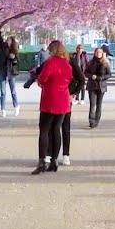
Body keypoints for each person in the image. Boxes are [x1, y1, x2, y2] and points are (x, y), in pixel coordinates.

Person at [32, 41, 73, 175]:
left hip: (50, 99)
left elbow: (43, 78)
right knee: (56, 130)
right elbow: (69, 79)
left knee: (44, 130)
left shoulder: (51, 62)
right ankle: (54, 160)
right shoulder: (67, 64)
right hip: (63, 99)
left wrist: (40, 81)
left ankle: (42, 161)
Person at [86, 46, 111, 129]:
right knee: (92, 104)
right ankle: (91, 121)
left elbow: (109, 74)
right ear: (95, 53)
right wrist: (91, 76)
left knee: (99, 104)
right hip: (92, 86)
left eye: (100, 52)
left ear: (102, 54)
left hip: (101, 86)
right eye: (97, 52)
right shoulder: (90, 63)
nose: (98, 54)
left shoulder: (105, 63)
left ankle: (96, 120)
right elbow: (85, 72)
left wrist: (102, 78)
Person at [4, 37, 21, 117]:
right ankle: (2, 108)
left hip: (11, 72)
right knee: (2, 91)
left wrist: (13, 58)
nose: (8, 42)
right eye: (8, 40)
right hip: (4, 71)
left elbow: (17, 62)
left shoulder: (15, 49)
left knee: (13, 90)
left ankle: (16, 106)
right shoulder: (4, 48)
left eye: (10, 41)